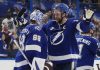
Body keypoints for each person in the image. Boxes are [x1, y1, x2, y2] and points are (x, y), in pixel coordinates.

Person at [42, 3, 94, 70]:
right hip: (54, 61)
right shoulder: (50, 24)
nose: (55, 16)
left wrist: (87, 21)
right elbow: (39, 31)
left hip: (68, 60)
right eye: (54, 14)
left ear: (64, 14)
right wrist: (41, 22)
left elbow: (83, 28)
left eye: (57, 14)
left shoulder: (72, 22)